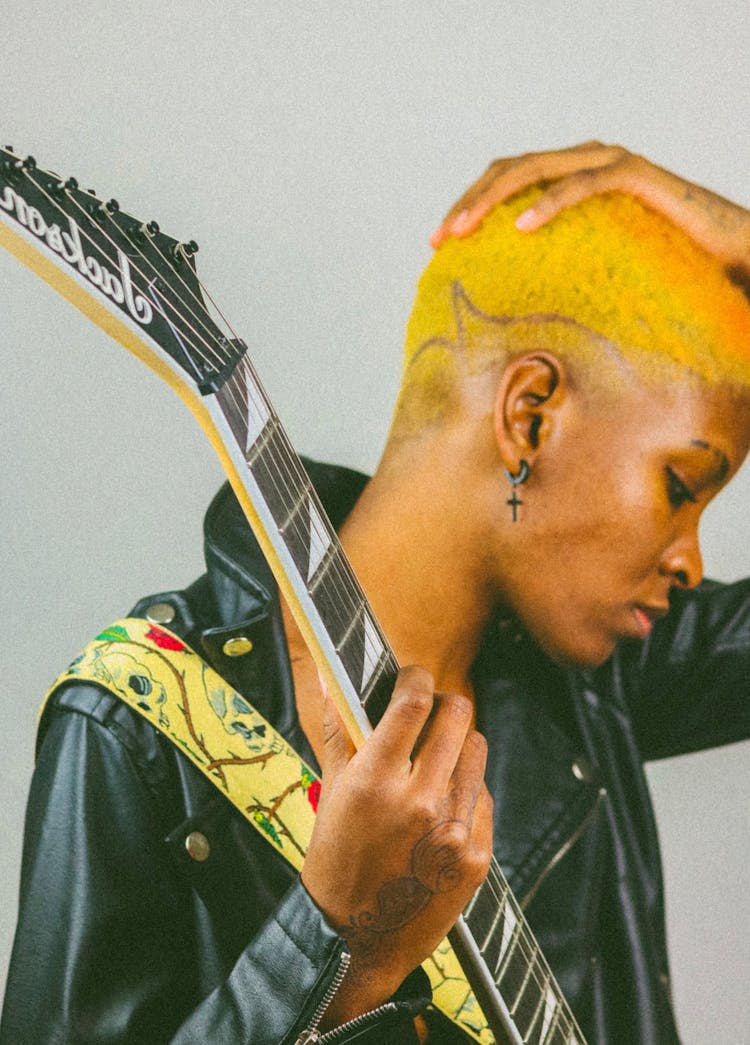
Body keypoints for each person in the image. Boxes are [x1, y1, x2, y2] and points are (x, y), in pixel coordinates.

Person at [2, 143, 750, 1045]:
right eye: (683, 485)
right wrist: (332, 943)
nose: (691, 562)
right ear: (532, 413)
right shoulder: (138, 720)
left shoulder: (597, 683)